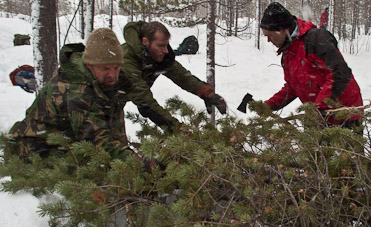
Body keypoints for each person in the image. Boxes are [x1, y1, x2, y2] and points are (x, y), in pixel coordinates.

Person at [9, 28, 134, 160]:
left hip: (68, 143)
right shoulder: (77, 90)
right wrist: (137, 162)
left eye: (116, 67)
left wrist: (128, 156)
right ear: (89, 65)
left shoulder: (104, 82)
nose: (113, 75)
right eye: (105, 68)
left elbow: (114, 127)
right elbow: (97, 143)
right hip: (38, 153)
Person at [260, 2, 363, 129]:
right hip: (317, 117)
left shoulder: (316, 39)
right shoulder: (288, 53)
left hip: (344, 114)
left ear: (283, 30)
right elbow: (293, 86)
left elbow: (339, 73)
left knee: (342, 148)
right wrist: (270, 105)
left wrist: (319, 107)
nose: (268, 40)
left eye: (270, 35)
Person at [117, 21, 226, 133]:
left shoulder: (157, 55)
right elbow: (145, 101)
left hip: (116, 103)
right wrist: (177, 128)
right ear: (145, 42)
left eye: (166, 45)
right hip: (101, 101)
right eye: (161, 45)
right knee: (109, 146)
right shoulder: (127, 60)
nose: (165, 50)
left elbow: (181, 76)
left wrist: (206, 92)